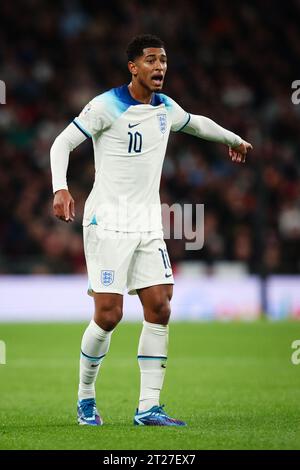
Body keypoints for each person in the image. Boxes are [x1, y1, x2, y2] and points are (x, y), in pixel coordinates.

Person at [50, 34, 252, 427]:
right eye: (151, 60)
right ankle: (86, 398)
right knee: (108, 316)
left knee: (159, 307)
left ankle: (148, 407)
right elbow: (62, 143)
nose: (159, 67)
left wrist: (234, 139)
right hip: (107, 222)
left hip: (147, 224)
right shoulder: (105, 105)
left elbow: (197, 124)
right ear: (133, 67)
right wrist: (60, 187)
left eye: (163, 60)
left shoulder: (165, 108)